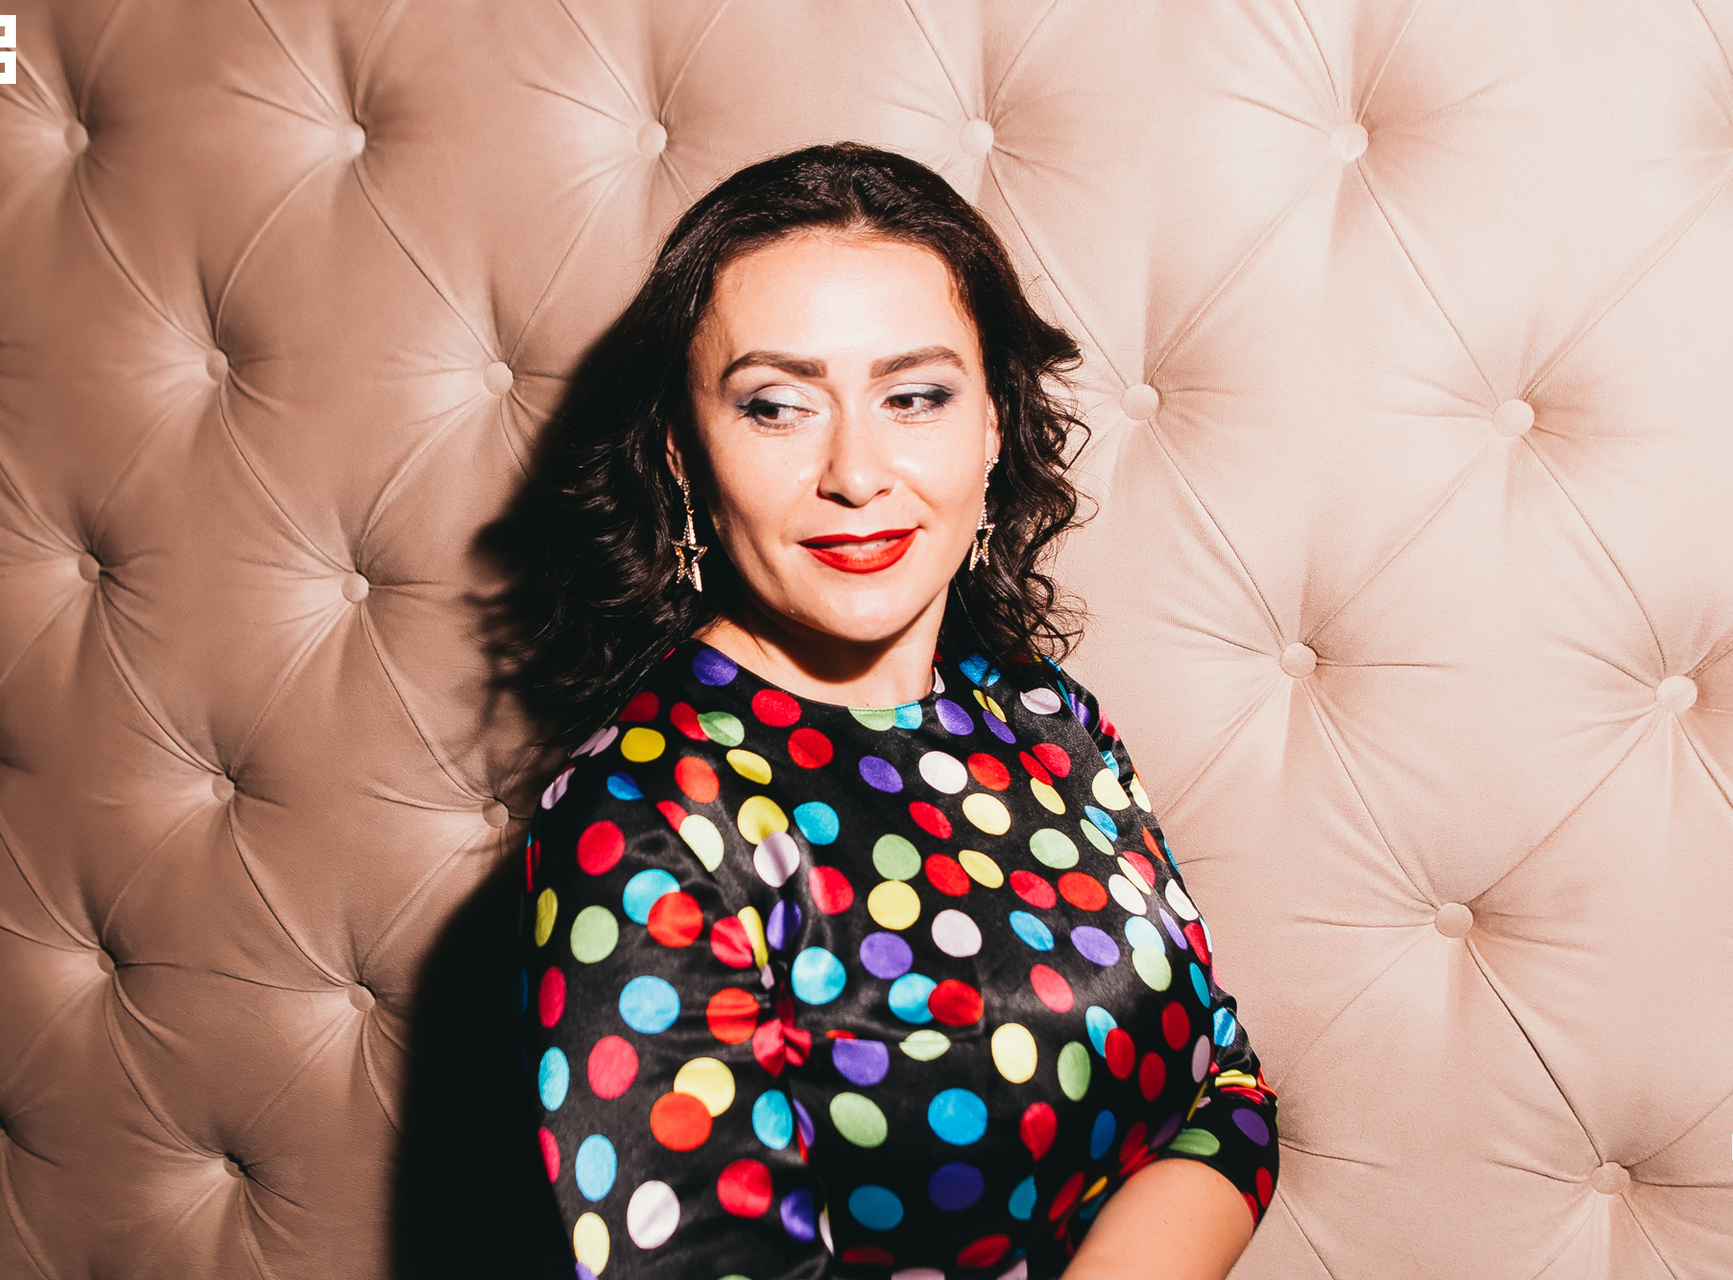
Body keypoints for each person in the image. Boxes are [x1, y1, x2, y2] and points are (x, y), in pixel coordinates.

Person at [478, 141, 1279, 1280]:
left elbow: (1226, 1087)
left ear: (992, 424)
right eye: (776, 406)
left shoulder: (1044, 715)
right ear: (682, 453)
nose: (857, 472)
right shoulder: (640, 822)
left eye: (915, 396)